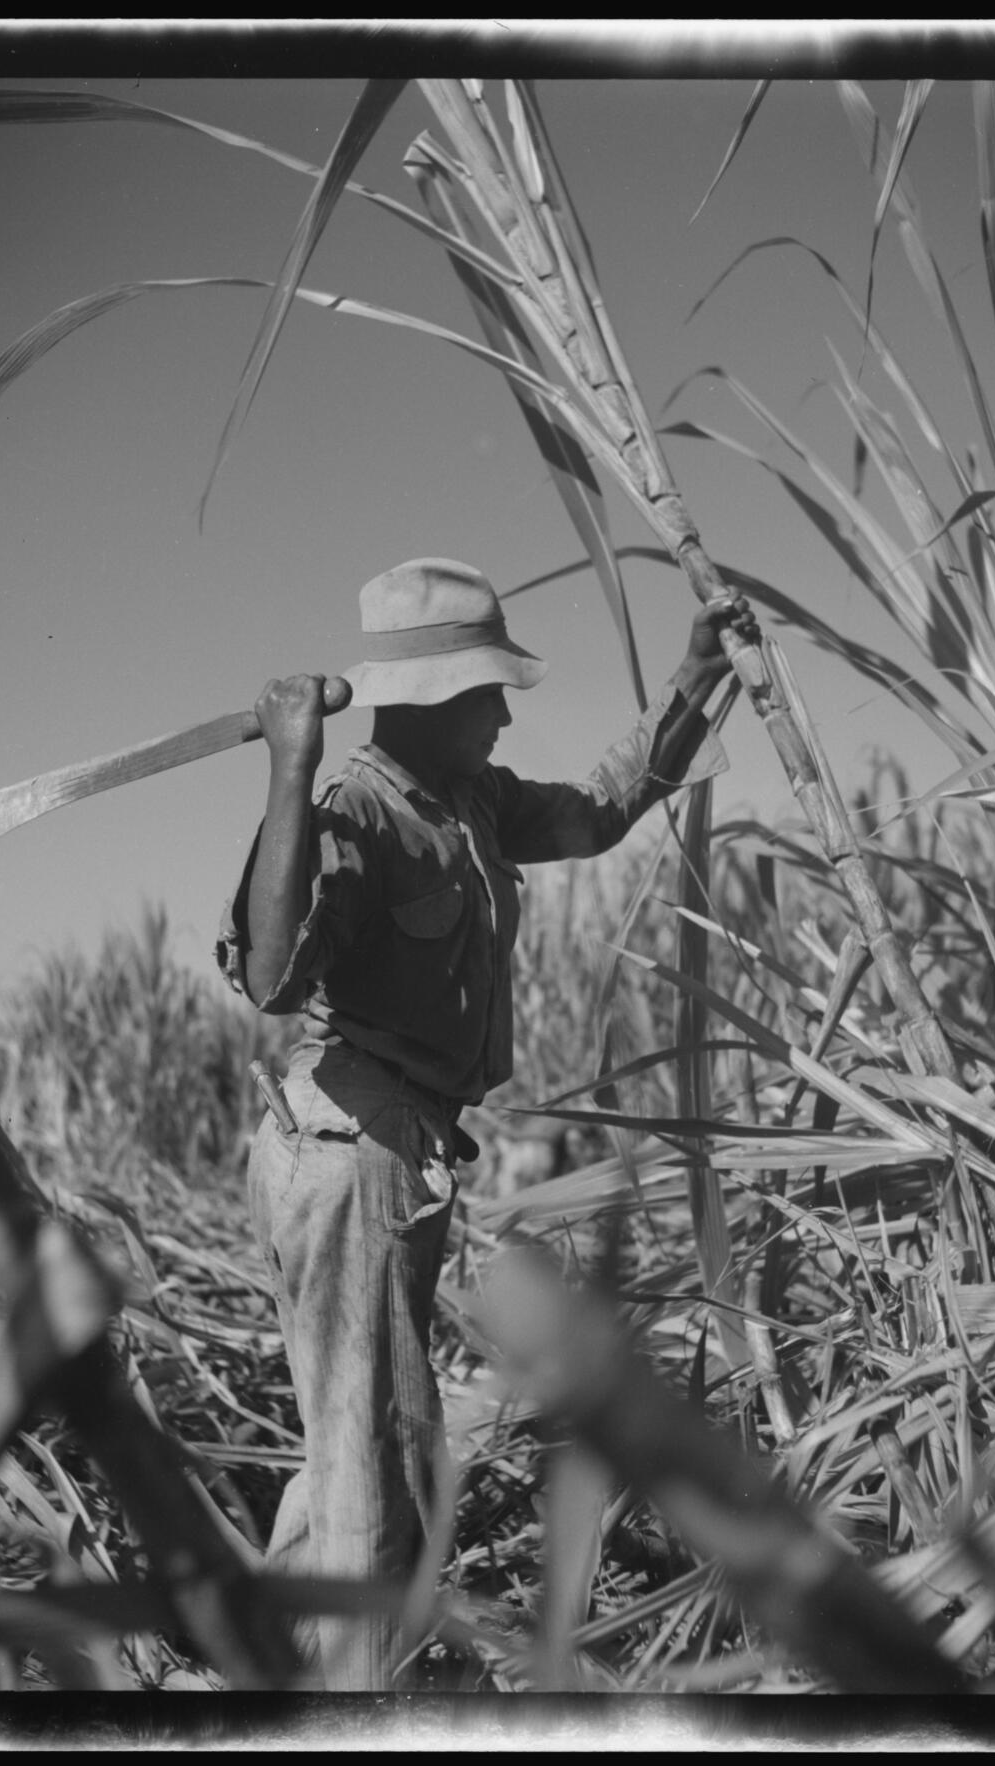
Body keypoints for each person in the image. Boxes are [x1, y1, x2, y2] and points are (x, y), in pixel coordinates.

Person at [216, 556, 755, 1689]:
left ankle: (283, 1672)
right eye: (487, 694)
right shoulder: (352, 812)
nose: (507, 712)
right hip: (346, 1151)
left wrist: (693, 678)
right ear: (429, 701)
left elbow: (601, 811)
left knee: (358, 1451)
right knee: (376, 1459)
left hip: (397, 1151)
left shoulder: (476, 802)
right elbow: (268, 975)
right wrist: (291, 766)